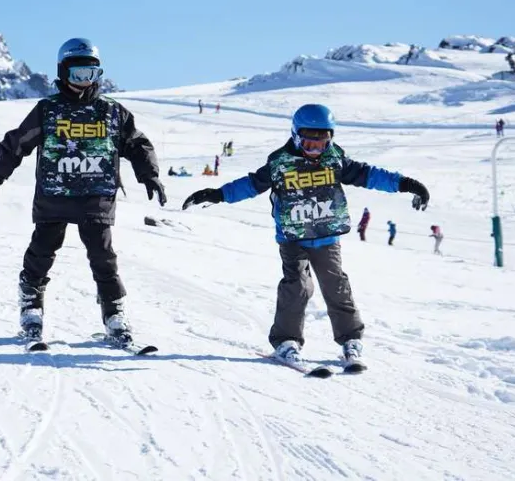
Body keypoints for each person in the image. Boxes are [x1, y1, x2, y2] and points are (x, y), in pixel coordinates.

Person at [181, 103, 430, 370]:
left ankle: (350, 339)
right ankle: (286, 342)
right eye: (309, 144)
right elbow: (251, 184)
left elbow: (370, 175)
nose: (315, 150)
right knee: (298, 285)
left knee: (336, 284)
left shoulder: (335, 160)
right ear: (296, 136)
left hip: (325, 234)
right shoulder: (280, 163)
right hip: (293, 237)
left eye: (321, 144)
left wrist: (408, 184)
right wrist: (218, 194)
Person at [0, 38, 165, 346]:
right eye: (78, 74)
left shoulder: (112, 112)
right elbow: (17, 143)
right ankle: (31, 307)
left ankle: (114, 314)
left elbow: (137, 145)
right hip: (55, 195)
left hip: (96, 195)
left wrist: (149, 175)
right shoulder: (48, 110)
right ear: (63, 72)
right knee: (42, 251)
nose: (84, 81)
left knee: (103, 256)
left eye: (91, 74)